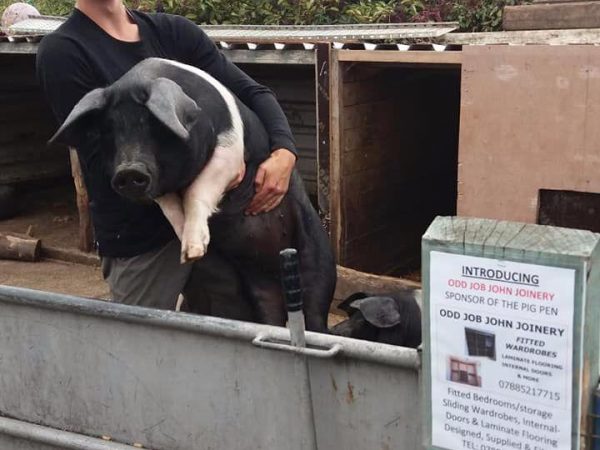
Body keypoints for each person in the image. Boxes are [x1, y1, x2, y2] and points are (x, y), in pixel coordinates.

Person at [36, 0, 298, 310]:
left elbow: (252, 92)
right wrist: (215, 175)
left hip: (217, 230)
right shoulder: (64, 51)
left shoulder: (174, 32)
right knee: (148, 336)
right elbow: (99, 158)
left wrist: (284, 150)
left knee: (225, 329)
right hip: (143, 242)